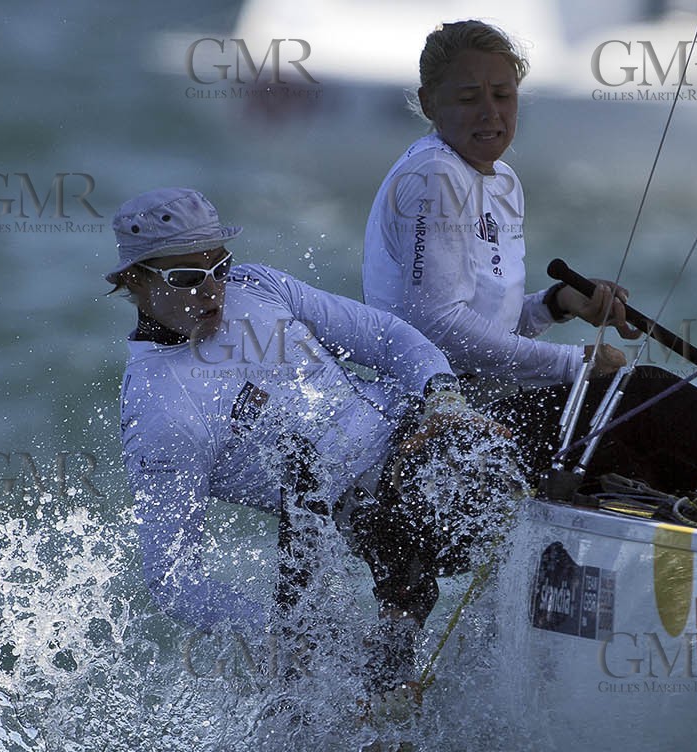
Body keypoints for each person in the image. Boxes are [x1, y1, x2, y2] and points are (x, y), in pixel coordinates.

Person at [363, 19, 697, 494]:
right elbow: (438, 328)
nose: (490, 113)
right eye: (469, 98)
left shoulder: (501, 182)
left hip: (491, 406)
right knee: (644, 396)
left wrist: (556, 304)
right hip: (440, 428)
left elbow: (488, 329)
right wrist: (573, 363)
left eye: (503, 96)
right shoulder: (434, 175)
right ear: (430, 102)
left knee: (649, 446)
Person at [110, 187, 509, 689]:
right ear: (134, 281)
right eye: (188, 277)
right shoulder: (159, 411)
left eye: (219, 266)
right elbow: (172, 581)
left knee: (625, 397)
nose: (213, 290)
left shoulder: (256, 285)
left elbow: (385, 336)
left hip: (431, 432)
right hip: (373, 514)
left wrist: (443, 399)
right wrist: (277, 632)